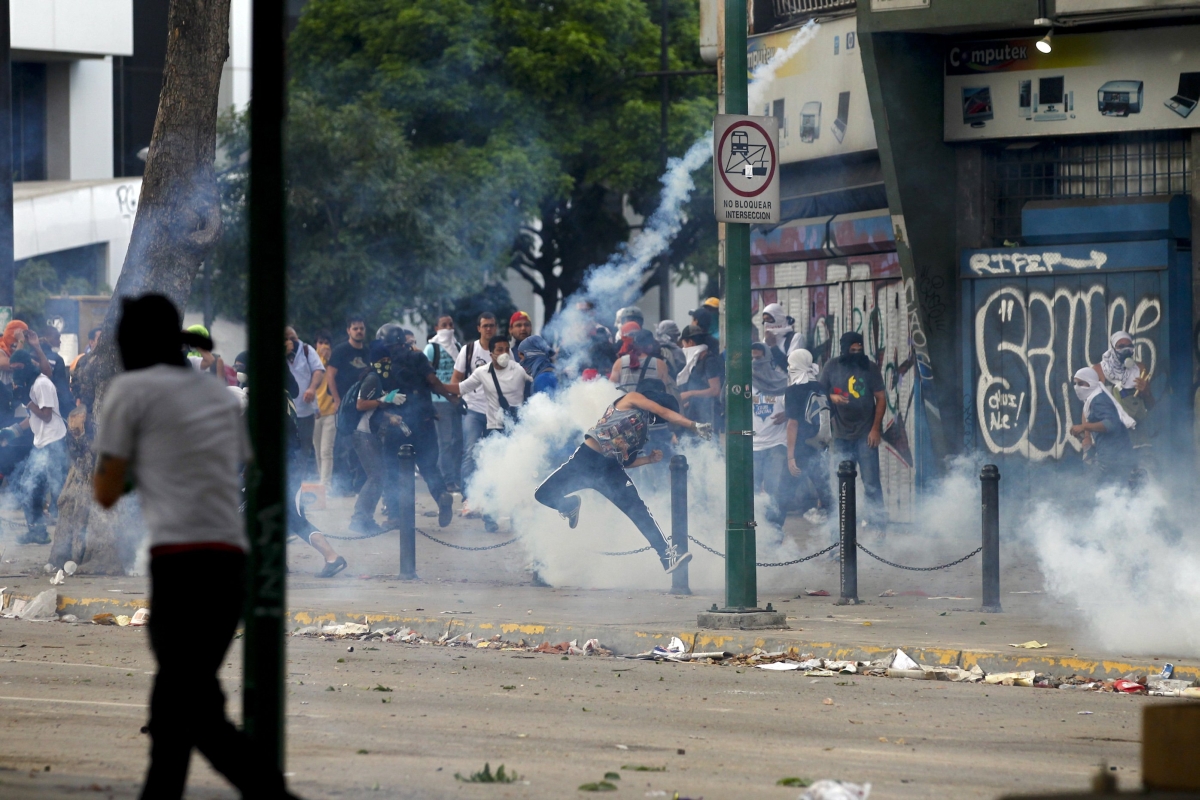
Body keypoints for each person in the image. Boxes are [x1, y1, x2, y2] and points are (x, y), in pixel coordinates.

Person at [91, 294, 300, 800]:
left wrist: (143, 466)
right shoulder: (219, 396)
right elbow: (239, 465)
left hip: (180, 566)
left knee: (191, 709)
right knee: (180, 703)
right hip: (230, 564)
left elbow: (105, 490)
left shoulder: (130, 391)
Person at [535, 390, 710, 573]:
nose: (656, 419)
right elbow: (663, 412)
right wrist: (693, 425)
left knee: (638, 510)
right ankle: (569, 505)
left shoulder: (642, 432)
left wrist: (648, 459)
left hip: (610, 469)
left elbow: (627, 461)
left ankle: (666, 556)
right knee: (543, 493)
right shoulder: (632, 398)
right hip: (586, 459)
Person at [358, 326, 457, 531]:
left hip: (397, 423)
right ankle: (440, 496)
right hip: (425, 421)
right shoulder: (418, 357)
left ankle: (394, 516)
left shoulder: (384, 363)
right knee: (429, 466)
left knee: (392, 470)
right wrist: (451, 398)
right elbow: (434, 382)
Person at [452, 335, 531, 532]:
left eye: (506, 349)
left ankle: (516, 517)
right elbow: (460, 387)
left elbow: (535, 382)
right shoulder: (482, 372)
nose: (503, 353)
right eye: (499, 350)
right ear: (491, 354)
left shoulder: (519, 370)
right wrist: (434, 384)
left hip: (515, 431)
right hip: (494, 430)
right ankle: (489, 516)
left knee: (516, 474)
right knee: (491, 474)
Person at [1, 351, 68, 544]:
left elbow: (46, 415)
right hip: (41, 442)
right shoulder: (31, 385)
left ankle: (54, 531)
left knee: (46, 489)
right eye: (12, 370)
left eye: (18, 369)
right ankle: (37, 531)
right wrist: (12, 431)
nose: (15, 373)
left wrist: (27, 402)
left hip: (53, 442)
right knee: (30, 488)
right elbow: (34, 418)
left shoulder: (42, 384)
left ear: (27, 365)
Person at [818, 332, 885, 525]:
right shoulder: (832, 366)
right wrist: (833, 398)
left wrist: (875, 429)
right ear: (844, 348)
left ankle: (877, 526)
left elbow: (880, 399)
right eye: (852, 349)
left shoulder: (870, 368)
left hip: (865, 434)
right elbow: (820, 392)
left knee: (871, 483)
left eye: (859, 349)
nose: (856, 353)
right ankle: (845, 526)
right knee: (842, 484)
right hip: (840, 434)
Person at [452, 312, 498, 514]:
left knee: (492, 455)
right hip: (473, 409)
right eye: (485, 326)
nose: (489, 329)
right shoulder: (469, 350)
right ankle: (468, 499)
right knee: (470, 453)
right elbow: (456, 379)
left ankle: (490, 499)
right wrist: (456, 401)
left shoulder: (503, 350)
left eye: (492, 326)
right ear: (479, 328)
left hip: (495, 411)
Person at [785, 348, 834, 526]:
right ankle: (838, 541)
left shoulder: (793, 391)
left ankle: (772, 539)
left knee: (782, 495)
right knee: (827, 496)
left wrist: (790, 457)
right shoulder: (821, 387)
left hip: (800, 451)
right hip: (820, 449)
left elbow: (792, 425)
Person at [326, 316, 370, 495]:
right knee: (343, 447)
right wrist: (337, 400)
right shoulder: (341, 350)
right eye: (355, 328)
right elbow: (330, 376)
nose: (359, 331)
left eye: (361, 328)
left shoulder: (367, 352)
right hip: (345, 406)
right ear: (348, 331)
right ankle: (341, 487)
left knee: (363, 445)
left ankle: (359, 485)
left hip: (363, 405)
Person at [749, 343, 791, 532]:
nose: (755, 362)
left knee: (775, 490)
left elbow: (797, 406)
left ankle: (775, 529)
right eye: (751, 359)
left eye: (759, 358)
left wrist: (788, 414)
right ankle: (757, 529)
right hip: (753, 445)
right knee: (752, 493)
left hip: (777, 444)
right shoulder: (744, 382)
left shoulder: (782, 382)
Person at [1070, 367, 1136, 480]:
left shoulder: (1099, 400)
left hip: (1115, 458)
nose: (1077, 387)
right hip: (1111, 456)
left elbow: (1110, 424)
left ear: (1090, 382)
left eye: (1081, 383)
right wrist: (1085, 437)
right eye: (1075, 383)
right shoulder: (1091, 399)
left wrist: (1084, 427)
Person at [1092, 331, 1154, 451]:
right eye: (1121, 346)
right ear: (1113, 348)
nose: (1126, 349)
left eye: (1129, 346)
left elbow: (1150, 405)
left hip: (1137, 436)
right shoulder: (1099, 370)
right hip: (1112, 437)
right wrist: (1087, 439)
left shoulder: (1140, 369)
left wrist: (1146, 391)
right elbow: (1089, 406)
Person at [425, 315, 464, 491]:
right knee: (445, 442)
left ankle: (456, 476)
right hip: (439, 401)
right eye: (444, 325)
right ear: (436, 328)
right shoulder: (431, 349)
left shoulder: (457, 347)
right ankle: (447, 480)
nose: (448, 328)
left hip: (457, 399)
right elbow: (425, 374)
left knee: (458, 441)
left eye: (450, 324)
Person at [284, 326, 324, 482]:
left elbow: (319, 370)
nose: (290, 342)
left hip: (305, 410)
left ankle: (297, 483)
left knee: (304, 450)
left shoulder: (306, 350)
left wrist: (312, 388)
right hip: (287, 412)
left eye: (293, 338)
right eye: (286, 339)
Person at [677, 325, 723, 429]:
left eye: (684, 343)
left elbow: (715, 390)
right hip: (696, 413)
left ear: (691, 342)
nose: (683, 347)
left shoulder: (709, 361)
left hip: (708, 415)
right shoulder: (697, 362)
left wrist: (690, 394)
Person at [312, 332, 338, 487]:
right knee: (317, 451)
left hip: (330, 412)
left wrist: (328, 359)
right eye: (320, 342)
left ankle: (325, 484)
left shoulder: (333, 362)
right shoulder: (311, 361)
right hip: (315, 412)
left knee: (326, 450)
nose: (323, 346)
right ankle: (322, 482)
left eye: (326, 342)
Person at [38, 326, 74, 411]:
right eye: (56, 338)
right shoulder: (56, 359)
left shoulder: (30, 356)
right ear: (46, 338)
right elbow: (61, 386)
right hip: (58, 405)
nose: (59, 341)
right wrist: (69, 406)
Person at [761, 302, 799, 371]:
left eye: (769, 319)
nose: (766, 323)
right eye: (764, 320)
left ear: (778, 318)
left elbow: (792, 368)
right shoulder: (766, 339)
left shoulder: (795, 338)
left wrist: (773, 346)